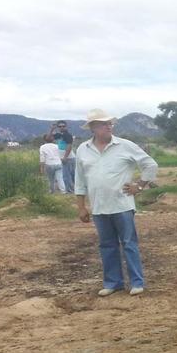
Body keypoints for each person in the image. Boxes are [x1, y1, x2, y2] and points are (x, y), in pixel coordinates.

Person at [74, 109, 158, 297]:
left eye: (110, 123)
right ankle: (113, 283)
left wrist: (140, 186)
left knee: (129, 243)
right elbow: (79, 180)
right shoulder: (82, 150)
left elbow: (150, 164)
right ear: (93, 127)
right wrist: (81, 206)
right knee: (107, 245)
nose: (109, 126)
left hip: (122, 205)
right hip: (98, 207)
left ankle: (137, 282)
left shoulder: (125, 146)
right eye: (104, 124)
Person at [51, 121, 77, 193]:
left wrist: (65, 157)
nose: (62, 127)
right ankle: (75, 189)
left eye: (63, 126)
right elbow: (48, 138)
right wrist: (52, 129)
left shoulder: (67, 135)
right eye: (60, 126)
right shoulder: (59, 135)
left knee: (67, 175)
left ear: (66, 126)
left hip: (68, 158)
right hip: (65, 158)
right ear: (58, 127)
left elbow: (69, 146)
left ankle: (70, 190)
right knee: (71, 175)